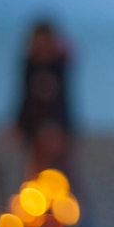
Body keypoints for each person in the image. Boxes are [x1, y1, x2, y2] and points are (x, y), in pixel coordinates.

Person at [12, 20, 75, 179]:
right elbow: (24, 97)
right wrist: (18, 123)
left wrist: (62, 129)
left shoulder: (59, 64)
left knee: (61, 164)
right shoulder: (29, 65)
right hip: (33, 122)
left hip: (56, 123)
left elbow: (63, 100)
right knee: (34, 164)